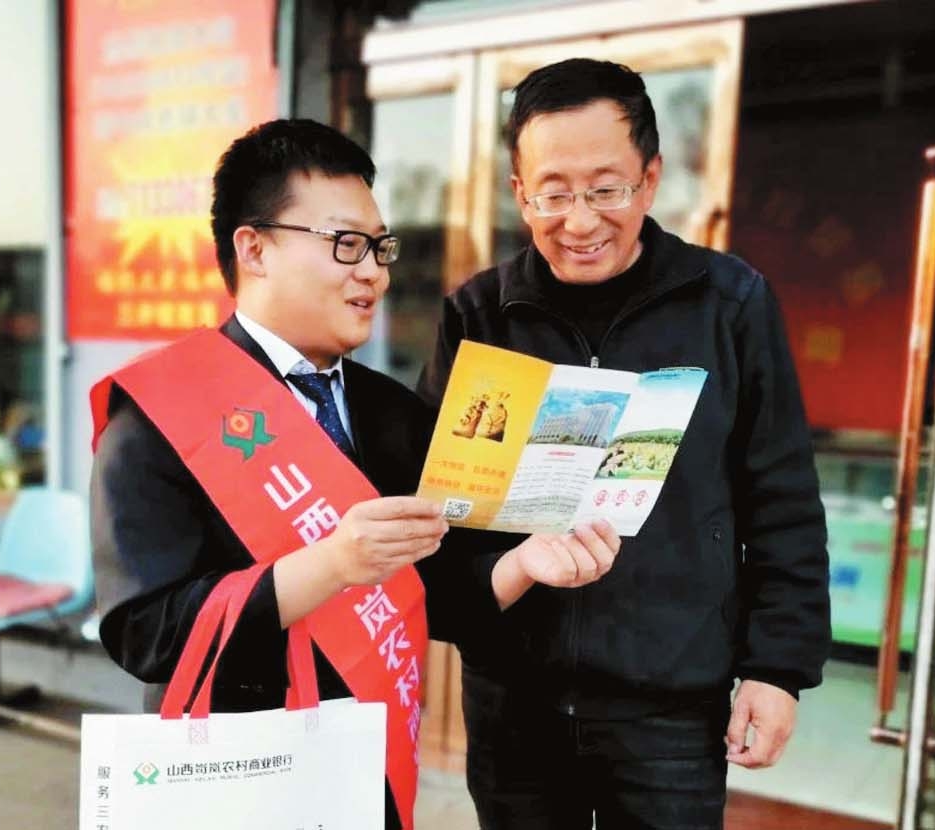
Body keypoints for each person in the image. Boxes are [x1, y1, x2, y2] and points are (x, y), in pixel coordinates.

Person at [89, 118, 620, 830]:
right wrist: (333, 564)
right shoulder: (164, 411)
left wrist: (526, 563)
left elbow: (437, 592)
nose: (373, 272)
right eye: (345, 244)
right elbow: (145, 633)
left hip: (364, 770)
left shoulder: (392, 411)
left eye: (379, 247)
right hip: (232, 772)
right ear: (254, 248)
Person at [418, 59, 831, 829]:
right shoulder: (480, 317)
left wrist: (777, 670)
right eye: (554, 194)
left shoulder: (728, 304)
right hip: (514, 708)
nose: (579, 222)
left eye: (606, 189)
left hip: (670, 709)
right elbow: (439, 518)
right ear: (520, 194)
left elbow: (782, 500)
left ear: (650, 180)